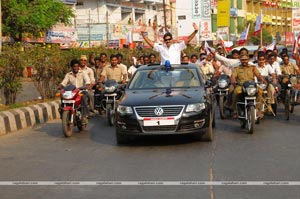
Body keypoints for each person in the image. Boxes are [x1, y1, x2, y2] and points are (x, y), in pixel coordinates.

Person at [230, 54, 267, 118]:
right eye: (242, 60)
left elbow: (258, 75)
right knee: (236, 92)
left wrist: (263, 80)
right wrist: (233, 81)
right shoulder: (237, 68)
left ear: (248, 60)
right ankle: (235, 110)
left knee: (260, 91)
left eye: (246, 60)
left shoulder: (253, 67)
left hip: (252, 86)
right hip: (241, 86)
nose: (244, 61)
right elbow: (233, 76)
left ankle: (258, 109)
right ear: (240, 61)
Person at [60, 59, 91, 124]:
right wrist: (61, 86)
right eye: (74, 66)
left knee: (84, 98)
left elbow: (87, 80)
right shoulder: (68, 74)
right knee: (62, 96)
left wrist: (87, 84)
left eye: (77, 66)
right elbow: (64, 82)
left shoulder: (83, 73)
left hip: (81, 91)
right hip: (72, 93)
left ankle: (84, 115)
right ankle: (62, 111)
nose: (76, 68)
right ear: (71, 67)